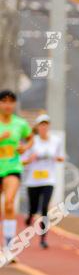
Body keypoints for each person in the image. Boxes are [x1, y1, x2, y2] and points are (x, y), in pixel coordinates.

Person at [0, 90, 33, 264]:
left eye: (11, 101)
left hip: (12, 167)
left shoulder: (20, 124)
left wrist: (25, 148)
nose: (7, 105)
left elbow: (30, 138)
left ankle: (9, 248)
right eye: (3, 101)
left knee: (9, 203)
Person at [22, 113, 64, 249]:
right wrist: (30, 159)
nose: (44, 127)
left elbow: (61, 157)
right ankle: (29, 217)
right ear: (38, 127)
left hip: (48, 179)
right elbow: (22, 161)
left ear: (49, 126)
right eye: (41, 124)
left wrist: (57, 158)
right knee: (33, 209)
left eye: (46, 124)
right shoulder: (32, 141)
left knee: (44, 208)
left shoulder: (56, 141)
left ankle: (43, 239)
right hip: (33, 181)